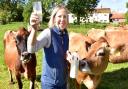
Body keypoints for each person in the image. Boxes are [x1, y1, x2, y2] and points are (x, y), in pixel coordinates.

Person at [27, 4, 69, 89]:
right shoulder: (48, 33)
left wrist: (68, 56)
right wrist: (34, 29)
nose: (62, 19)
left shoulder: (65, 34)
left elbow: (62, 53)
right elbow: (31, 49)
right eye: (59, 16)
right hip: (50, 85)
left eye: (65, 17)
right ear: (54, 18)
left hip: (63, 82)